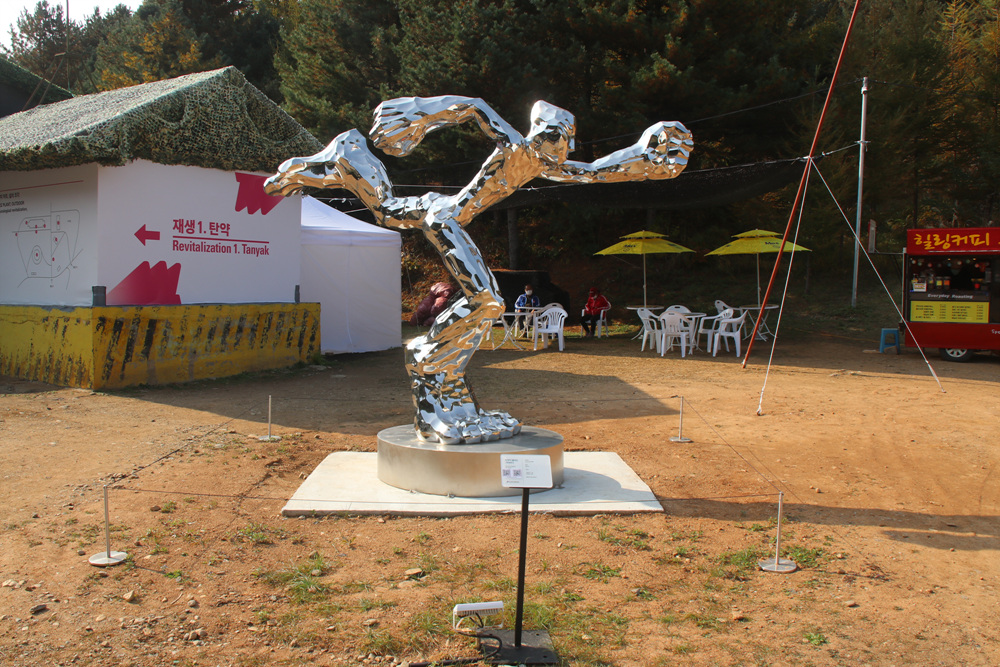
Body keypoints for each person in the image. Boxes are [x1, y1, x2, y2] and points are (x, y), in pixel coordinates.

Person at [265, 96, 691, 444]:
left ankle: (348, 158)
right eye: (559, 138)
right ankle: (428, 360)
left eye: (568, 141)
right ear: (540, 133)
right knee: (486, 300)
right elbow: (475, 107)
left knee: (390, 211)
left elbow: (596, 173)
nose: (566, 149)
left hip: (447, 213)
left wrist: (647, 156)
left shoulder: (547, 164)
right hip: (444, 217)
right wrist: (418, 113)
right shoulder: (516, 146)